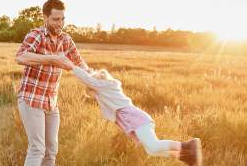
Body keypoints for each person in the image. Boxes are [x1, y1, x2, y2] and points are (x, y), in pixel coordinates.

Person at [66, 61, 203, 166]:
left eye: (92, 92)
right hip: (135, 120)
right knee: (151, 150)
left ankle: (187, 146)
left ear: (97, 85)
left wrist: (71, 66)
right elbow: (90, 77)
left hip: (136, 119)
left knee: (154, 145)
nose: (93, 95)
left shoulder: (106, 86)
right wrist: (84, 67)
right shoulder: (106, 89)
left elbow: (89, 80)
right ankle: (185, 157)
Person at [15, 0, 91, 166]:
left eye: (63, 18)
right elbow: (21, 57)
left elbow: (80, 63)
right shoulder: (37, 35)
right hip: (31, 99)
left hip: (51, 103)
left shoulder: (66, 40)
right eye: (56, 19)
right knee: (37, 149)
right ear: (45, 18)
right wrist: (52, 59)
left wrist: (95, 78)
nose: (60, 23)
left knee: (51, 151)